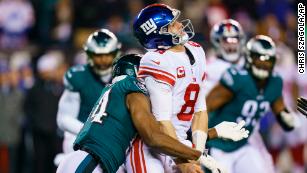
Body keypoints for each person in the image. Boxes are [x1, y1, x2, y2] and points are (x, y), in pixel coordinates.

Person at [56, 54, 234, 173]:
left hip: (86, 161)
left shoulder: (115, 92)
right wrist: (196, 154)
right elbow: (154, 137)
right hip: (92, 162)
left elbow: (167, 134)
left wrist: (213, 132)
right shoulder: (133, 89)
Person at [128, 4, 249, 173]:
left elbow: (200, 110)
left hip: (181, 143)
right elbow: (162, 122)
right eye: (171, 25)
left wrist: (196, 154)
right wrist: (185, 161)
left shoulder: (196, 50)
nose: (179, 25)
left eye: (176, 20)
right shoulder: (156, 60)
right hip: (151, 147)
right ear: (157, 36)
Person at [206, 35, 299, 173]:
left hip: (243, 144)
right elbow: (205, 108)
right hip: (219, 145)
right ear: (250, 57)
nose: (264, 64)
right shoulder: (238, 78)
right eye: (260, 58)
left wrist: (288, 119)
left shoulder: (275, 81)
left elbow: (280, 110)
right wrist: (201, 138)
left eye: (269, 60)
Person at [56, 28, 121, 160]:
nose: (103, 60)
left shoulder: (125, 76)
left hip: (116, 136)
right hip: (81, 135)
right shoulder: (78, 76)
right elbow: (64, 119)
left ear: (116, 53)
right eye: (98, 55)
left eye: (108, 54)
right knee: (73, 146)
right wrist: (93, 133)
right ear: (89, 55)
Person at [205, 19, 246, 95]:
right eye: (226, 40)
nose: (231, 45)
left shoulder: (248, 63)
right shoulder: (210, 67)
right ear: (217, 42)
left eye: (235, 40)